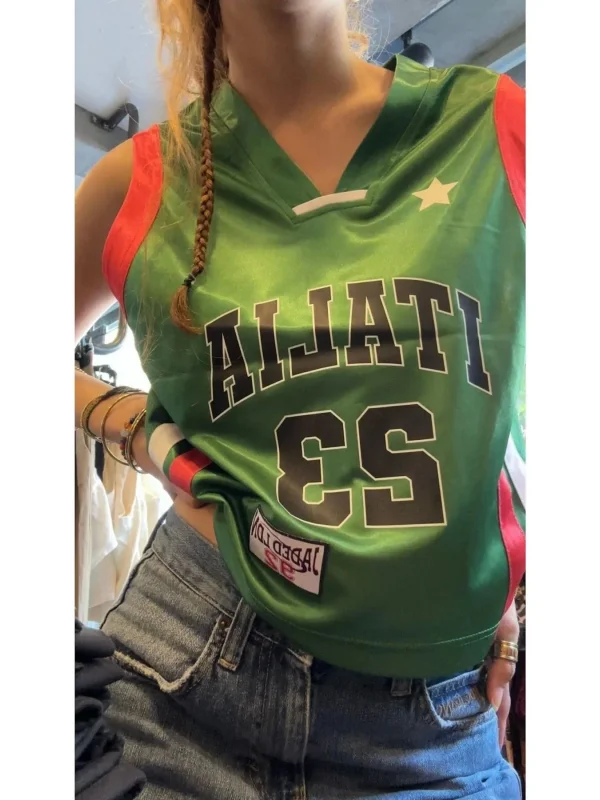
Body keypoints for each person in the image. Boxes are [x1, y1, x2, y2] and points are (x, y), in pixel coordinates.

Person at [75, 0, 525, 797]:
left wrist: (510, 574)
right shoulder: (135, 181)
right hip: (182, 673)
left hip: (429, 727)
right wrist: (132, 427)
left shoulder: (502, 127)